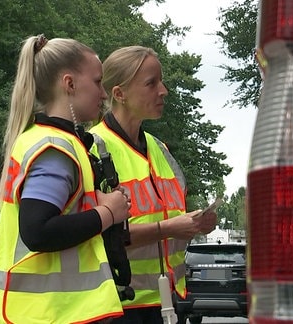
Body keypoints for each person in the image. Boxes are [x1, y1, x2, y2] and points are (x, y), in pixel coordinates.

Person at [0, 35, 131, 324]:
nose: (104, 93)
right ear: (69, 84)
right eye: (98, 82)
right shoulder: (54, 149)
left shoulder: (46, 140)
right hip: (49, 314)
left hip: (39, 314)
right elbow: (38, 231)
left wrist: (98, 205)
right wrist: (109, 213)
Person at [89, 45, 217, 324]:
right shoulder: (93, 148)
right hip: (120, 306)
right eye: (151, 83)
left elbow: (171, 220)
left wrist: (195, 223)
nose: (163, 90)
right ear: (119, 94)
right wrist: (169, 228)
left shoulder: (160, 149)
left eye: (161, 81)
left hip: (169, 303)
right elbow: (94, 236)